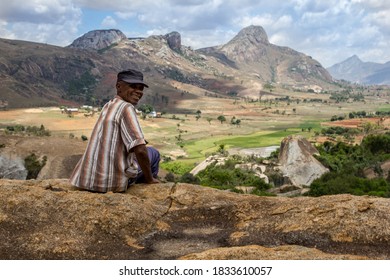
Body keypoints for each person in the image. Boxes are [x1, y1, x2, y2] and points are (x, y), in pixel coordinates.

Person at [70, 69, 160, 193]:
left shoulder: (108, 105)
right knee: (153, 153)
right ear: (119, 86)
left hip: (88, 180)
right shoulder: (126, 108)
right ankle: (148, 183)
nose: (138, 92)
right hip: (110, 184)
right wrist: (150, 178)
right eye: (133, 86)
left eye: (141, 88)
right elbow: (140, 150)